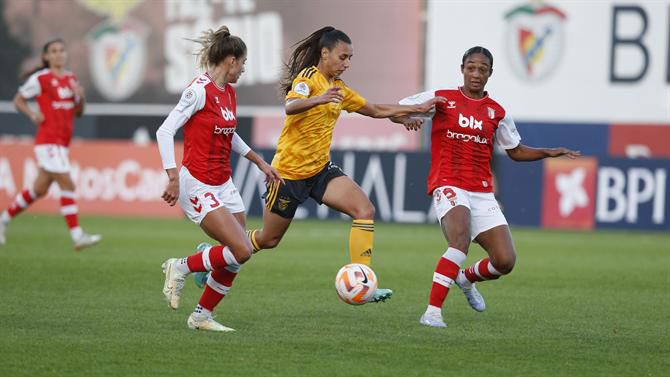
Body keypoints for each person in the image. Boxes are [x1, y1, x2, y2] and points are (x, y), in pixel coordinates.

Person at [242, 26, 445, 303]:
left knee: (364, 209)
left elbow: (374, 110)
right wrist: (319, 99)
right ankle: (222, 253)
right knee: (268, 240)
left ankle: (364, 283)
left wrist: (412, 111)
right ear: (324, 54)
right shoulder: (308, 78)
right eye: (342, 57)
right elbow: (291, 106)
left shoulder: (339, 88)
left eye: (350, 58)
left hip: (320, 170)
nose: (347, 63)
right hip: (288, 174)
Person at [394, 46, 581, 327]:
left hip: (481, 190)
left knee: (505, 261)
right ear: (462, 69)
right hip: (448, 182)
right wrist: (408, 118)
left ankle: (465, 278)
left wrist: (548, 151)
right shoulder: (443, 99)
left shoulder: (497, 112)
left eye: (482, 69)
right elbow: (397, 110)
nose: (476, 74)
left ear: (490, 74)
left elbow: (514, 151)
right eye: (471, 67)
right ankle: (432, 312)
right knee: (459, 242)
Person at [157, 25, 282, 332]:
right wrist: (172, 177)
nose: (244, 69)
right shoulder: (198, 91)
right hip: (197, 183)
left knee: (241, 254)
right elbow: (164, 131)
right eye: (243, 63)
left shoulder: (229, 93)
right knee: (240, 249)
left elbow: (229, 134)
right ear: (230, 60)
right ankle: (181, 266)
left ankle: (201, 316)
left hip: (223, 184)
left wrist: (259, 162)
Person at [0, 38, 101, 250]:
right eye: (53, 51)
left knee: (39, 189)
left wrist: (80, 98)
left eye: (61, 50)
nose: (58, 54)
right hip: (48, 141)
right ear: (46, 56)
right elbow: (18, 99)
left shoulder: (71, 79)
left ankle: (4, 220)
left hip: (62, 144)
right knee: (68, 184)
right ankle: (77, 235)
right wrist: (32, 113)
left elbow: (78, 113)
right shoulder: (41, 79)